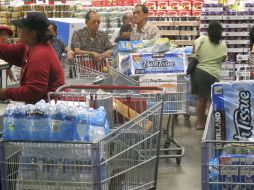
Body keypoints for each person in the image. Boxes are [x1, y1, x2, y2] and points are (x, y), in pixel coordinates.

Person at [0, 12, 64, 104]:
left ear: (32, 34)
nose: (18, 31)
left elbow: (33, 92)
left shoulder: (40, 55)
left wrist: (4, 93)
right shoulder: (30, 47)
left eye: (22, 29)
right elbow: (6, 50)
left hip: (47, 110)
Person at [191, 21, 227, 130]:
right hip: (214, 75)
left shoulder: (202, 39)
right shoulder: (223, 44)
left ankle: (200, 123)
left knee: (202, 99)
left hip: (199, 73)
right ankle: (215, 123)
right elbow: (224, 58)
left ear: (208, 31)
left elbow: (194, 51)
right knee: (214, 99)